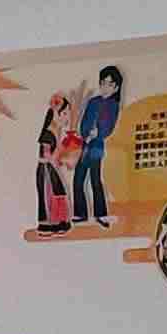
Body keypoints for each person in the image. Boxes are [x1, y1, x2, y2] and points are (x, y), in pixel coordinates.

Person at [74, 65, 122, 229]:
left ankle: (101, 214)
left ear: (116, 87)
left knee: (95, 178)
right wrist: (85, 134)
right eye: (103, 83)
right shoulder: (93, 102)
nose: (105, 87)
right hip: (86, 144)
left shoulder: (114, 105)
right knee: (78, 178)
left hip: (97, 146)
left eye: (110, 84)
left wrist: (98, 133)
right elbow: (84, 122)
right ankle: (80, 213)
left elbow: (110, 127)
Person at [35, 94, 74, 234]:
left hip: (50, 168)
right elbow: (46, 155)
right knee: (51, 195)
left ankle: (58, 224)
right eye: (64, 113)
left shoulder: (55, 131)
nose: (67, 117)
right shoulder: (48, 133)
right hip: (46, 170)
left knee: (57, 193)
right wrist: (61, 158)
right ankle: (50, 225)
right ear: (56, 114)